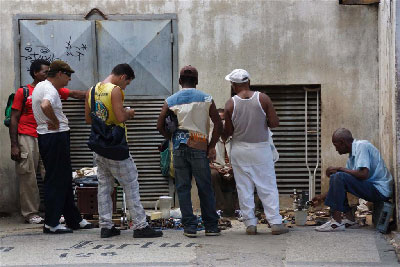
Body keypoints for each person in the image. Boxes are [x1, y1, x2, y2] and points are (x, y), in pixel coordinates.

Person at [85, 63, 162, 239]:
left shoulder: (91, 90)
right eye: (127, 83)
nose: (125, 86)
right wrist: (129, 112)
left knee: (104, 186)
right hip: (115, 146)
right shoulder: (115, 91)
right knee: (131, 183)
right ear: (122, 77)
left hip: (98, 145)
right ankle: (140, 226)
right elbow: (120, 117)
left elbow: (88, 119)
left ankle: (106, 226)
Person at [9, 59, 86, 224]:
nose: (47, 74)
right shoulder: (25, 91)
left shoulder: (49, 88)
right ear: (35, 73)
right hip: (28, 135)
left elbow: (72, 94)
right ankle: (32, 213)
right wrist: (14, 144)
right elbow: (14, 118)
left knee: (52, 176)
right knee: (29, 175)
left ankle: (58, 212)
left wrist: (95, 94)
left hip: (43, 135)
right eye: (44, 71)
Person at [157, 65, 223, 238]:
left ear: (180, 81)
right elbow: (219, 123)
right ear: (197, 81)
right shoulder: (206, 98)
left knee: (183, 187)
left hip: (179, 148)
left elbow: (159, 125)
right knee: (205, 187)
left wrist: (170, 138)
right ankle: (211, 226)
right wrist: (211, 145)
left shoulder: (171, 100)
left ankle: (190, 227)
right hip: (200, 148)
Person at [224, 69, 288, 235]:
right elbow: (274, 123)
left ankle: (250, 224)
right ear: (248, 82)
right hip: (260, 148)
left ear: (233, 84)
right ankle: (274, 222)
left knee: (244, 187)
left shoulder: (230, 103)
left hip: (239, 149)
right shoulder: (263, 98)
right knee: (267, 186)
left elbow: (228, 132)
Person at [32, 60, 92, 234]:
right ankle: (51, 223)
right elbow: (45, 105)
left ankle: (74, 219)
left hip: (51, 137)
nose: (69, 80)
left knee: (64, 179)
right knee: (56, 180)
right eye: (68, 76)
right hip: (54, 137)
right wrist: (55, 121)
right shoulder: (50, 89)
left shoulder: (42, 85)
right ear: (59, 74)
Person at [312, 128, 393, 232]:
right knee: (337, 176)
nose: (336, 150)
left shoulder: (362, 146)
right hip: (372, 189)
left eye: (336, 146)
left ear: (342, 142)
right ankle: (350, 219)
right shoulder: (351, 157)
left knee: (339, 175)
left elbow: (363, 174)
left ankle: (336, 222)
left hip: (380, 191)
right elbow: (341, 185)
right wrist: (321, 197)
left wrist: (340, 169)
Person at [209, 109, 237, 213]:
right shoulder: (210, 138)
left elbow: (243, 157)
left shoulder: (236, 137)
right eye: (219, 120)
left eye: (225, 119)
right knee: (213, 175)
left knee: (244, 173)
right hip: (218, 169)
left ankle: (239, 210)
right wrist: (215, 167)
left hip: (233, 168)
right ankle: (220, 209)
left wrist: (233, 168)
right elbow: (204, 160)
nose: (222, 123)